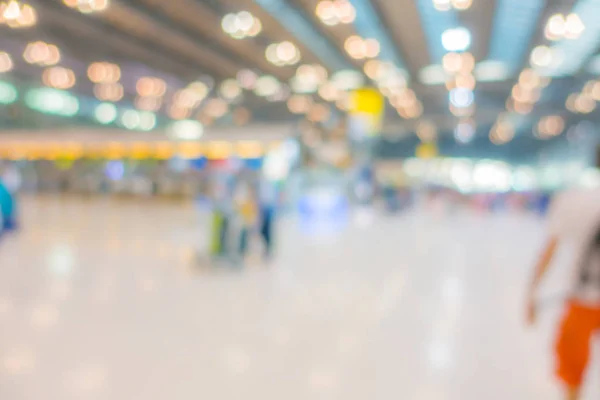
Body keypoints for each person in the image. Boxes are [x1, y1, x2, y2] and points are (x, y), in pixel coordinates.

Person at [526, 184, 600, 400]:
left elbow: (549, 251)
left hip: (581, 302)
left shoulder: (574, 200)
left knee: (572, 375)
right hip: (580, 301)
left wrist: (531, 294)